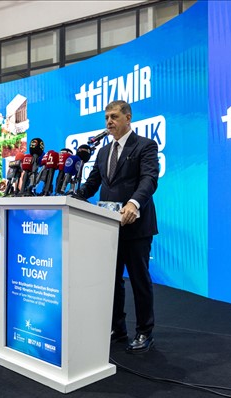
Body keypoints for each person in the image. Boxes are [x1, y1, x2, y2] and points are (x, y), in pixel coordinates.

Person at [76, 100, 159, 354]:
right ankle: (117, 328)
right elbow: (92, 184)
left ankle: (144, 331)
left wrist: (134, 203)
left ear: (128, 118)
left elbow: (149, 179)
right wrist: (73, 197)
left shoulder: (145, 145)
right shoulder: (103, 152)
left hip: (136, 226)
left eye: (114, 117)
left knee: (139, 280)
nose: (109, 122)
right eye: (106, 118)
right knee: (111, 281)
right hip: (108, 227)